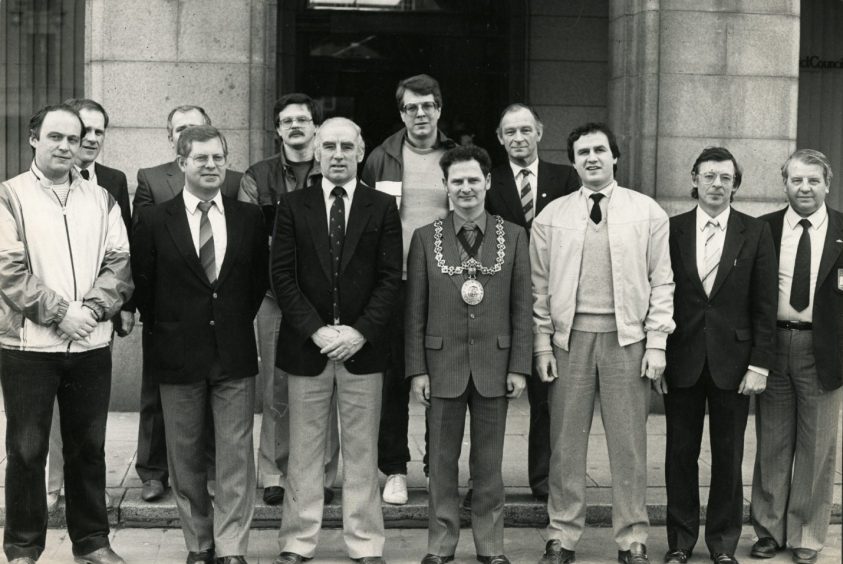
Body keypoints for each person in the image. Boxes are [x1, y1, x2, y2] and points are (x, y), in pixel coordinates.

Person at [531, 123, 674, 564]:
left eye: (599, 150)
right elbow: (539, 288)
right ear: (572, 161)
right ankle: (561, 535)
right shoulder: (550, 216)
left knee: (629, 445)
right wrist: (541, 344)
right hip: (568, 341)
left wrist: (657, 343)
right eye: (582, 152)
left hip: (627, 340)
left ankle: (632, 537)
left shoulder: (647, 211)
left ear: (615, 157)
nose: (591, 158)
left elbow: (662, 281)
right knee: (565, 443)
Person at [0, 103, 132, 564]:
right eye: (55, 136)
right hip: (28, 348)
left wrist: (92, 310)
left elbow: (119, 262)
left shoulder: (102, 199)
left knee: (88, 449)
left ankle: (92, 543)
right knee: (26, 450)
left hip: (91, 345)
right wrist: (61, 314)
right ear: (34, 138)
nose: (65, 146)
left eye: (73, 139)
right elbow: (8, 271)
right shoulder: (9, 196)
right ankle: (21, 548)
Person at [132, 125, 267, 564]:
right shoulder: (154, 220)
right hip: (176, 354)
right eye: (201, 158)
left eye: (218, 158)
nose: (211, 166)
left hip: (233, 353)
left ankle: (231, 548)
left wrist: (225, 325)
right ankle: (199, 544)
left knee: (234, 458)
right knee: (185, 457)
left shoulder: (248, 218)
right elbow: (145, 288)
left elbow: (254, 285)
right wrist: (173, 330)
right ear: (182, 162)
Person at [271, 117, 401, 564]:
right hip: (309, 348)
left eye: (347, 145)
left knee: (362, 455)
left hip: (363, 351)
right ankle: (297, 542)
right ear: (317, 151)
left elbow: (389, 280)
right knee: (305, 454)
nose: (338, 154)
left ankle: (365, 543)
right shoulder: (292, 205)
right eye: (329, 146)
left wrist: (360, 331)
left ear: (362, 150)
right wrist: (318, 330)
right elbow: (282, 278)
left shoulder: (382, 207)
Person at [406, 145, 531, 564]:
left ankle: (490, 546)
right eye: (456, 181)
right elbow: (415, 311)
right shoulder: (426, 238)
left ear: (488, 182)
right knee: (441, 463)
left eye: (473, 180)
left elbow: (521, 306)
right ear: (445, 185)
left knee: (489, 465)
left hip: (495, 364)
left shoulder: (513, 235)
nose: (465, 188)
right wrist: (417, 370)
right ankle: (440, 546)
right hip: (442, 365)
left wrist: (519, 366)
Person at [662, 147, 777, 564]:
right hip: (682, 360)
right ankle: (679, 541)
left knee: (729, 457)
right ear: (694, 179)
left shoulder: (755, 232)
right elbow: (661, 295)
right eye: (708, 176)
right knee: (680, 454)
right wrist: (657, 354)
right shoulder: (670, 229)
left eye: (725, 178)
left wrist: (760, 363)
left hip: (736, 363)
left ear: (735, 184)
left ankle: (723, 543)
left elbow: (765, 302)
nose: (716, 184)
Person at [131, 104, 241, 502]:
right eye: (182, 131)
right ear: (177, 150)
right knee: (162, 406)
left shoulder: (236, 192)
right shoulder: (151, 184)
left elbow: (248, 269)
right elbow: (143, 260)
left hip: (221, 325)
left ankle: (213, 483)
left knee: (221, 422)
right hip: (171, 321)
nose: (209, 162)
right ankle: (153, 471)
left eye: (216, 155)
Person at [239, 92, 339, 507]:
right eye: (287, 120)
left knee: (327, 383)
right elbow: (249, 237)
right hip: (274, 296)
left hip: (325, 297)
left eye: (303, 119)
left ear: (316, 127)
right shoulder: (258, 176)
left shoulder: (333, 169)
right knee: (277, 386)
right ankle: (275, 473)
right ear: (277, 129)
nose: (296, 126)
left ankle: (324, 474)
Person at [362, 73, 455, 505]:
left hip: (445, 283)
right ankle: (395, 469)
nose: (420, 114)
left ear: (439, 108)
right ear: (401, 112)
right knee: (395, 378)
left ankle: (439, 467)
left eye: (428, 106)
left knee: (444, 377)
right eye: (411, 107)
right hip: (393, 283)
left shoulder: (456, 157)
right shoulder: (382, 157)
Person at [750, 149, 843, 564]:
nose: (804, 188)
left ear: (828, 184)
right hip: (773, 346)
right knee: (772, 442)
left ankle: (807, 532)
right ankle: (769, 530)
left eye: (813, 181)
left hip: (823, 350)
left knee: (817, 446)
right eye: (796, 180)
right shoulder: (762, 230)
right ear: (783, 183)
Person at [45, 97, 136, 511]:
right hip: (53, 314)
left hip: (98, 313)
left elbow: (123, 249)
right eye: (87, 130)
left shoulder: (113, 180)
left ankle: (87, 491)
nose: (93, 138)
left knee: (89, 408)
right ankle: (55, 487)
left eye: (100, 131)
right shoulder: (38, 184)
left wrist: (120, 307)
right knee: (52, 406)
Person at [485, 103, 579, 503]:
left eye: (525, 130)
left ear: (540, 132)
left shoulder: (566, 177)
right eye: (510, 132)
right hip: (498, 300)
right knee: (489, 395)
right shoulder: (489, 180)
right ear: (500, 138)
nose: (518, 138)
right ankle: (485, 481)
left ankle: (543, 480)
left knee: (546, 396)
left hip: (551, 299)